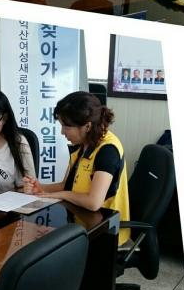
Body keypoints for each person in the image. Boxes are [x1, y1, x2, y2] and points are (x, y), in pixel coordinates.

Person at [23, 92, 130, 245]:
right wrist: (39, 188)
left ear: (87, 126)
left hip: (105, 231)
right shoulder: (82, 143)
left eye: (66, 127)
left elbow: (93, 202)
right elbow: (67, 185)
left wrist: (61, 195)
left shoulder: (108, 150)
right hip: (80, 221)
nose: (62, 132)